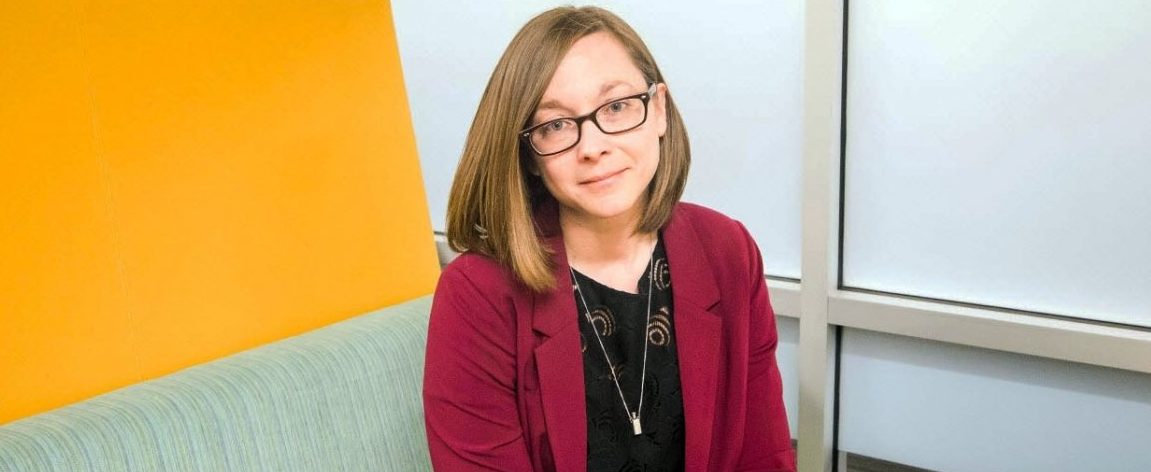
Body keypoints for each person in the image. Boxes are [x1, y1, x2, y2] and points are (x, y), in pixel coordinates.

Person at [422, 6, 795, 472]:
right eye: (554, 125)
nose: (593, 146)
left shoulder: (727, 251)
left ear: (659, 110)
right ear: (530, 155)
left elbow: (764, 456)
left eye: (617, 107)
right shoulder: (477, 294)